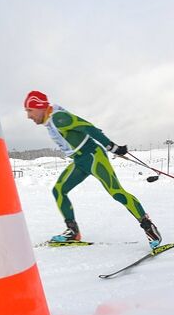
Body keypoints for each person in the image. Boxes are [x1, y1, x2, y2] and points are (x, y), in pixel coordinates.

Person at [24, 90, 162, 248]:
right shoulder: (51, 121)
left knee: (116, 192)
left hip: (93, 157)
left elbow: (89, 128)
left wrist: (112, 147)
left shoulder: (59, 118)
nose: (28, 116)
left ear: (40, 107)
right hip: (80, 160)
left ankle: (149, 228)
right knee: (59, 190)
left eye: (30, 111)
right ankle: (72, 232)